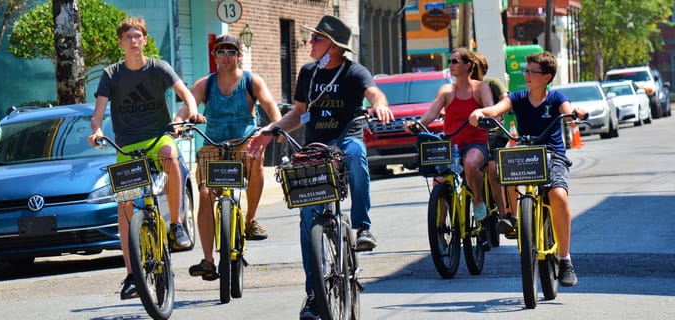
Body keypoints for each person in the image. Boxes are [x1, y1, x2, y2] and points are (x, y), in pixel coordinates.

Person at [247, 15, 394, 320]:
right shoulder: (308, 74)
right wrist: (269, 131)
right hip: (313, 149)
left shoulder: (354, 72)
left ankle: (363, 227)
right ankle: (314, 295)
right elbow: (299, 114)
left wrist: (379, 104)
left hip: (344, 141)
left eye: (316, 39)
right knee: (307, 218)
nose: (311, 43)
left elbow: (373, 92)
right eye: (312, 37)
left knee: (356, 154)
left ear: (334, 46)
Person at [87, 16, 198, 300]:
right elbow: (97, 114)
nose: (133, 41)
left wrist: (192, 112)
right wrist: (97, 131)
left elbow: (186, 95)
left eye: (138, 36)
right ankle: (130, 274)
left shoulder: (158, 67)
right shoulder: (111, 75)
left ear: (145, 40)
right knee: (124, 205)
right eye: (128, 37)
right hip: (127, 145)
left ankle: (176, 224)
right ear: (121, 43)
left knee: (170, 154)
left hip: (158, 136)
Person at [468, 52, 586, 287]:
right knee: (506, 165)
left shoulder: (555, 98)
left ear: (547, 77)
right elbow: (498, 108)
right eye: (526, 71)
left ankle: (565, 260)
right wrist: (480, 112)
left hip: (552, 155)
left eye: (532, 72)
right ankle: (510, 216)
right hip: (526, 153)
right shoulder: (519, 97)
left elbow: (569, 111)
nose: (527, 75)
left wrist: (575, 114)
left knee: (558, 196)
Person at [176, 34, 282, 280]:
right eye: (221, 52)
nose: (225, 56)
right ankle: (208, 260)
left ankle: (251, 219)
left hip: (245, 142)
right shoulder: (206, 84)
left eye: (231, 52)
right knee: (204, 194)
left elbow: (269, 105)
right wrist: (179, 123)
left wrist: (276, 127)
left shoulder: (250, 81)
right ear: (214, 56)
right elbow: (185, 108)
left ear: (239, 56)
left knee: (256, 158)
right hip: (213, 145)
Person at [405, 48, 494, 221]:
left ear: (468, 65)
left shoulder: (481, 88)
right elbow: (431, 113)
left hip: (476, 143)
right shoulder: (446, 90)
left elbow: (490, 108)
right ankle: (439, 229)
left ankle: (478, 201)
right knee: (438, 180)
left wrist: (485, 116)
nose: (450, 65)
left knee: (470, 163)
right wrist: (417, 124)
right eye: (450, 62)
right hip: (451, 145)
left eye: (455, 62)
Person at [470, 51, 517, 236]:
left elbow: (505, 99)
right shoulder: (461, 88)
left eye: (475, 67)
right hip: (471, 135)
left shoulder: (492, 83)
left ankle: (504, 214)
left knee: (493, 169)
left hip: (494, 133)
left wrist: (496, 112)